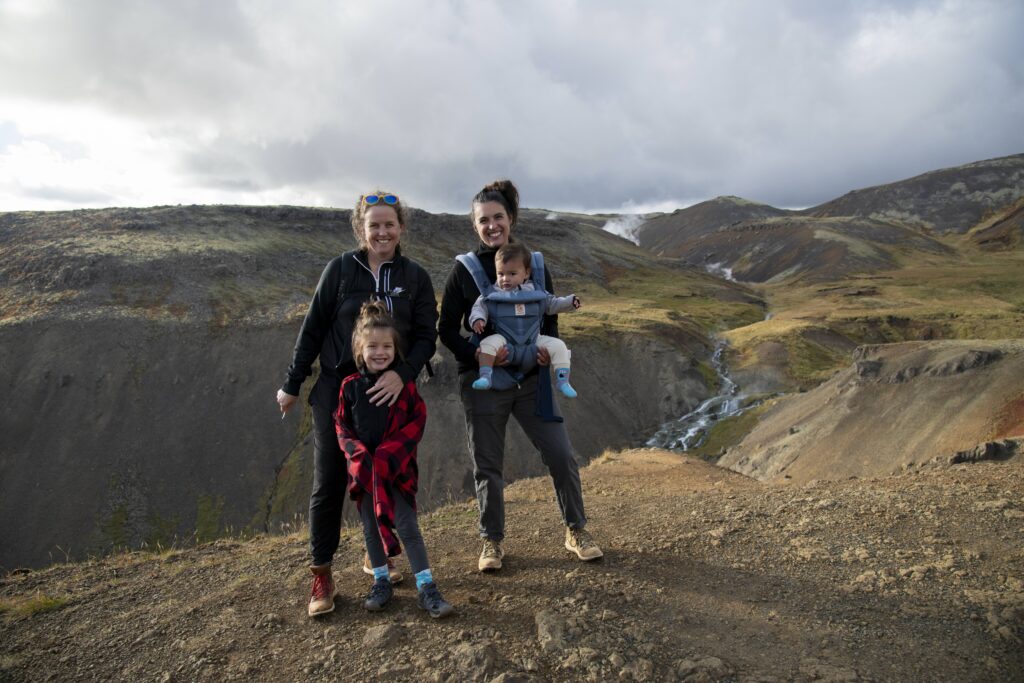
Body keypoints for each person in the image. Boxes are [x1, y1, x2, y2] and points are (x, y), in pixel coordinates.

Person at [276, 191, 437, 618]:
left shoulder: (415, 277)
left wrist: (401, 376)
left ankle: (378, 555)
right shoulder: (340, 270)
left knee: (388, 478)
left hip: (390, 396)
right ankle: (322, 573)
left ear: (401, 227)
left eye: (389, 224)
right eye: (374, 225)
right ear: (361, 230)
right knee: (329, 482)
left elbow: (426, 337)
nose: (382, 232)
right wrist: (293, 383)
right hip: (337, 394)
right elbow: (312, 328)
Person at [438, 179, 603, 572]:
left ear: (510, 218)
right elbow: (445, 330)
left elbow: (549, 316)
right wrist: (478, 354)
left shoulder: (535, 265)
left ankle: (575, 529)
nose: (492, 226)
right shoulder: (464, 271)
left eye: (498, 217)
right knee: (488, 465)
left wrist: (548, 352)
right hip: (485, 383)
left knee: (561, 454)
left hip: (532, 381)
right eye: (484, 220)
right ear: (474, 225)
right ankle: (491, 542)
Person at [336, 301, 453, 618]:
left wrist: (387, 455)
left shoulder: (405, 388)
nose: (380, 352)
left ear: (395, 348)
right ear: (360, 350)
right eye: (372, 346)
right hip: (365, 475)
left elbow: (417, 422)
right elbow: (342, 426)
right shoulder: (350, 388)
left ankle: (426, 586)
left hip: (396, 472)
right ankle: (380, 580)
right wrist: (360, 457)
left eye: (386, 346)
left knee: (407, 527)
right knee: (370, 529)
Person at [469, 242, 582, 398]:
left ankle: (563, 382)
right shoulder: (492, 293)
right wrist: (478, 319)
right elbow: (479, 306)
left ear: (526, 273)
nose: (505, 279)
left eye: (512, 274)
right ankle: (485, 377)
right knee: (487, 344)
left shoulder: (537, 291)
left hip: (534, 341)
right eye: (500, 274)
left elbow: (553, 304)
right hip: (505, 342)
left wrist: (570, 302)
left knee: (559, 346)